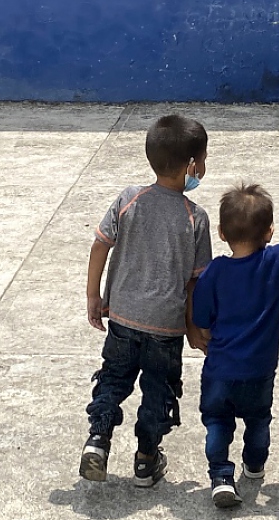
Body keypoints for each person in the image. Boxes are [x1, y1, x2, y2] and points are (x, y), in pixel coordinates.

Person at [80, 114, 213, 487]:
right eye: (203, 160)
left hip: (122, 319)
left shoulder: (128, 198)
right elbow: (195, 284)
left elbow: (100, 245)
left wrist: (95, 295)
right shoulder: (196, 218)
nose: (203, 168)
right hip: (165, 328)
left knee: (113, 381)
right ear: (191, 166)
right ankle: (146, 459)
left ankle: (98, 440)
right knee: (159, 391)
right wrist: (193, 328)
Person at [192, 184, 279, 508]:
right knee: (258, 420)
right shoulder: (277, 261)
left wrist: (211, 341)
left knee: (216, 423)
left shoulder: (213, 273)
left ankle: (221, 477)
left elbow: (202, 321)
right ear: (270, 232)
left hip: (220, 371)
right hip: (259, 370)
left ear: (222, 233)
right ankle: (253, 466)